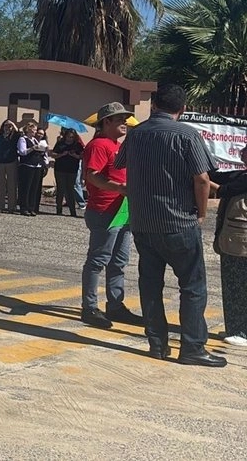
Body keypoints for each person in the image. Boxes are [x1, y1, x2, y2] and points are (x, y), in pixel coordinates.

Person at [115, 85, 225, 367]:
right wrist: (202, 213)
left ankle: (157, 344)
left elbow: (120, 164)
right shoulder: (186, 134)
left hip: (143, 222)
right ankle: (192, 347)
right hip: (178, 221)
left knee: (150, 284)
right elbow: (202, 179)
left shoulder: (136, 133)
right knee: (193, 286)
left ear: (153, 105)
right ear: (183, 109)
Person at [79, 103, 136, 329]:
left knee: (119, 262)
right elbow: (92, 176)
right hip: (104, 210)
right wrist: (119, 188)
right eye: (119, 119)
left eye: (125, 119)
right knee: (98, 260)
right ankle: (89, 308)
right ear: (106, 122)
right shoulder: (99, 145)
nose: (124, 123)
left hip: (122, 211)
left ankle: (115, 305)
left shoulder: (117, 146)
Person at [211, 147, 247, 347]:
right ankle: (235, 327)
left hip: (241, 243)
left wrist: (203, 180)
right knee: (232, 284)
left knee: (240, 286)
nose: (242, 153)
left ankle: (243, 332)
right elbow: (220, 176)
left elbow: (224, 190)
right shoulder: (241, 175)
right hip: (233, 241)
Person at [52, 128, 85, 217]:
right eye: (69, 137)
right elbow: (53, 154)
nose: (70, 139)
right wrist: (62, 154)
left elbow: (82, 156)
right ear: (65, 136)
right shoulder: (60, 143)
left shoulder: (77, 145)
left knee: (70, 190)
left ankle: (72, 211)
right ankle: (59, 210)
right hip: (60, 169)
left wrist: (75, 155)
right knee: (60, 189)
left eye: (72, 137)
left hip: (72, 170)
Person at [16, 121, 47, 216]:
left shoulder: (35, 140)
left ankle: (31, 207)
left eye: (35, 130)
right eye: (33, 130)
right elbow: (22, 152)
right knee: (26, 188)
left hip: (37, 166)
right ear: (28, 130)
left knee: (34, 188)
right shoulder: (23, 139)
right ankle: (24, 207)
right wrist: (33, 148)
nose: (35, 132)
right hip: (27, 166)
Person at [0, 120, 20, 213]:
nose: (7, 128)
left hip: (11, 162)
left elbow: (19, 133)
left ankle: (11, 207)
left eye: (9, 126)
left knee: (12, 185)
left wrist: (13, 124)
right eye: (6, 125)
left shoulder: (14, 137)